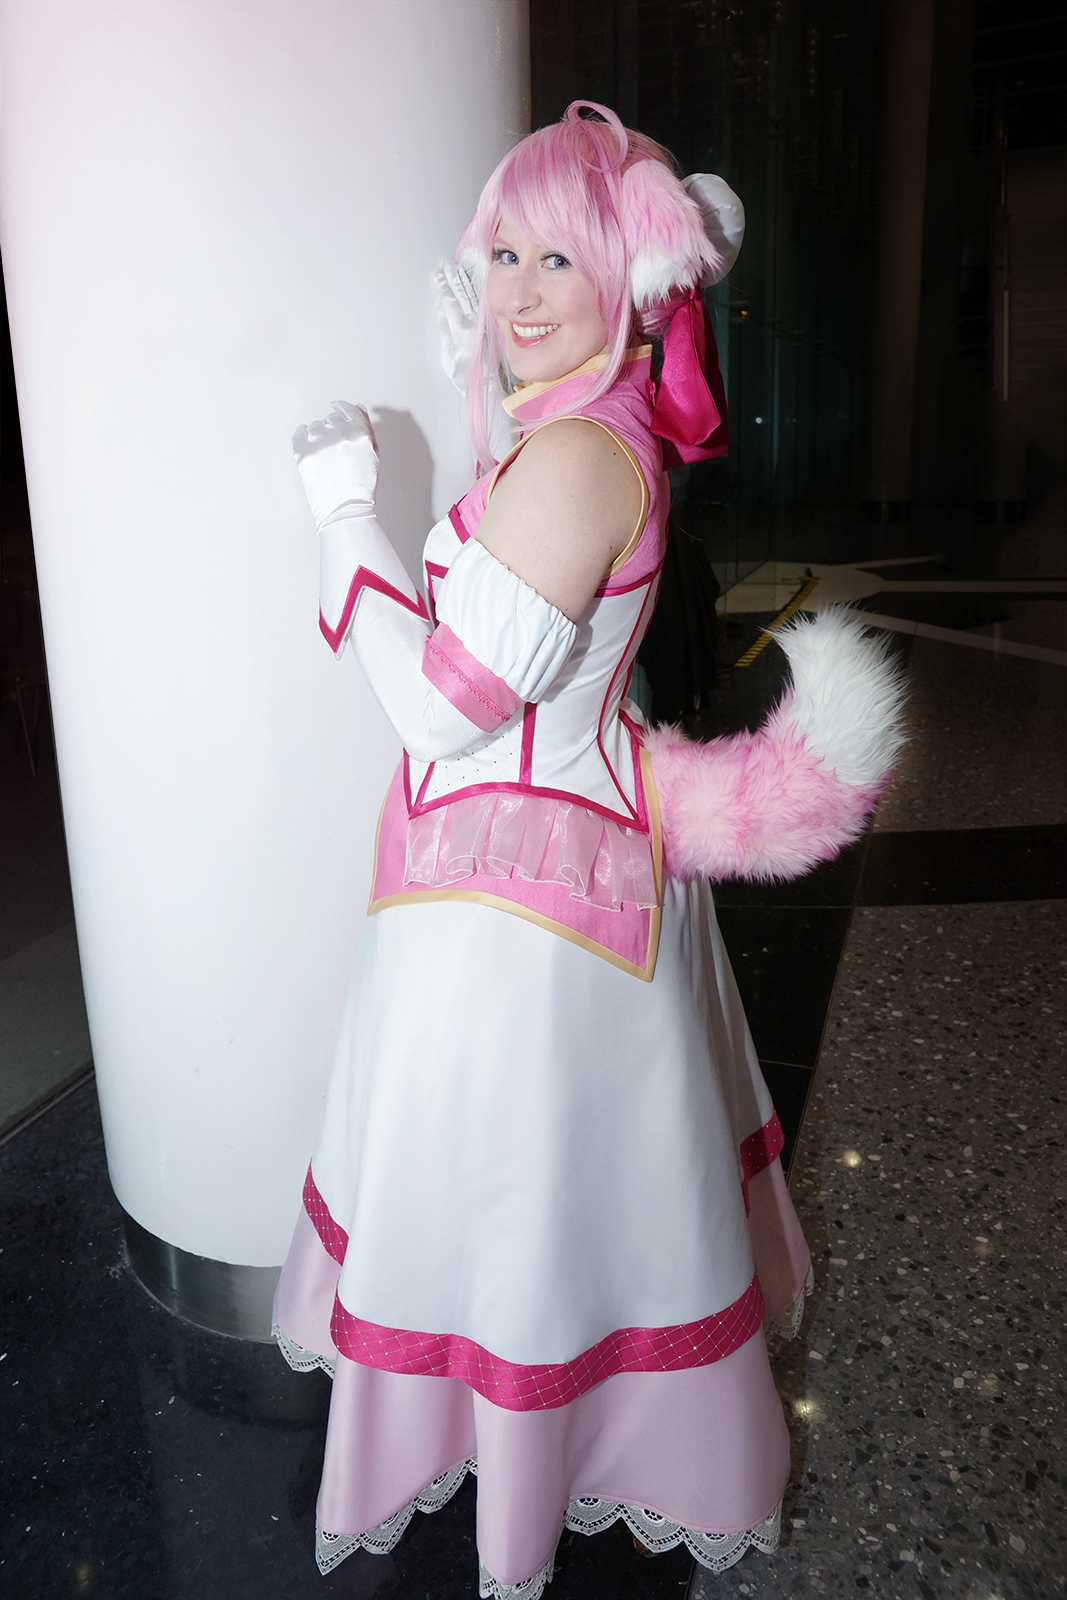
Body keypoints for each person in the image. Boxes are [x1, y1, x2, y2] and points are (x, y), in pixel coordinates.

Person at [273, 103, 903, 1600]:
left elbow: (442, 707)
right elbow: (524, 563)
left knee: (517, 1217)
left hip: (525, 923)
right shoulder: (582, 428)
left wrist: (346, 519)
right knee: (541, 1206)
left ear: (633, 272)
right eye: (504, 252)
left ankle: (529, 1461)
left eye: (559, 256)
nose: (519, 288)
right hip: (541, 877)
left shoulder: (576, 458)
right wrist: (478, 408)